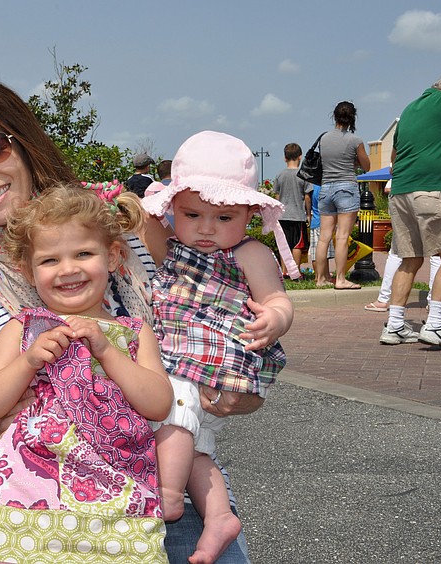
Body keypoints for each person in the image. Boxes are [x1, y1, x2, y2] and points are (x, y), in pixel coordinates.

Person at [0, 76, 262, 563]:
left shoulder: (130, 223)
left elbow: (215, 321)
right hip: (41, 512)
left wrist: (231, 389)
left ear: (22, 141)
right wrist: (14, 423)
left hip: (165, 487)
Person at [0, 183, 173, 562]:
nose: (68, 269)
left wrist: (108, 352)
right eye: (50, 260)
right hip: (21, 493)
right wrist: (28, 362)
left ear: (113, 256)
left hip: (115, 495)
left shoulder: (134, 332)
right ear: (28, 271)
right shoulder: (22, 329)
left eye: (83, 253)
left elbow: (159, 404)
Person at [143, 131, 293, 564]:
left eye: (225, 217)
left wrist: (275, 318)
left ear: (250, 213)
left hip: (213, 360)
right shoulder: (171, 244)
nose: (207, 228)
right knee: (195, 444)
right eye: (192, 214)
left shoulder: (249, 255)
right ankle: (219, 515)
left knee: (174, 406)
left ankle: (168, 497)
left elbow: (278, 299)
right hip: (178, 357)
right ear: (173, 209)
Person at [378, 76, 441, 346]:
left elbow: (393, 159)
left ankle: (394, 326)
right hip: (431, 190)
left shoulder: (409, 109)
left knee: (410, 258)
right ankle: (437, 324)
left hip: (401, 192)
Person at [313, 101, 371, 289]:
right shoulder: (355, 140)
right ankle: (340, 279)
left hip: (326, 187)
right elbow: (367, 166)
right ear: (352, 117)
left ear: (334, 116)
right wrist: (353, 160)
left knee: (324, 237)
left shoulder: (324, 139)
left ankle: (320, 278)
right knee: (342, 236)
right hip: (346, 187)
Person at [274, 143, 312, 271]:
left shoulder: (280, 175)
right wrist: (308, 214)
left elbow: (277, 196)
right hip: (298, 215)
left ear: (285, 158)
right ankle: (295, 271)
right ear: (300, 157)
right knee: (297, 245)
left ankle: (284, 271)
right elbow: (307, 197)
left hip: (282, 215)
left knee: (284, 244)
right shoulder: (303, 175)